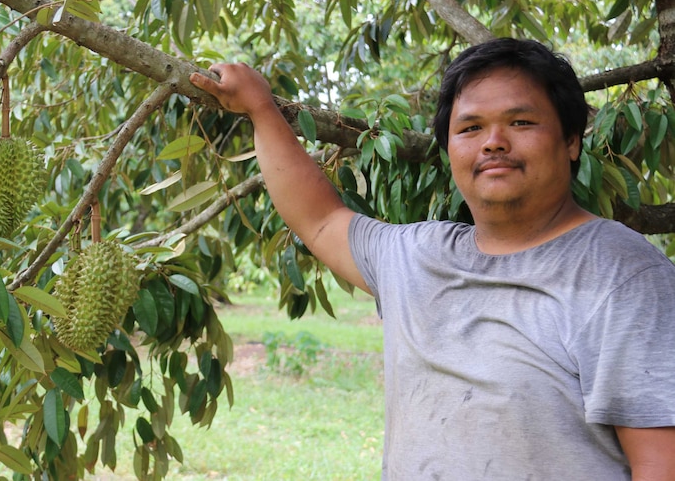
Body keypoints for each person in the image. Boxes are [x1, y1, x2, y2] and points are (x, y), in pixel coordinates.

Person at [190, 38, 675, 480]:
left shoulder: (624, 275)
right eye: (471, 127)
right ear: (448, 150)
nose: (493, 142)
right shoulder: (418, 256)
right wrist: (259, 107)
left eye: (521, 122)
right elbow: (318, 220)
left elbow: (660, 463)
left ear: (571, 141)